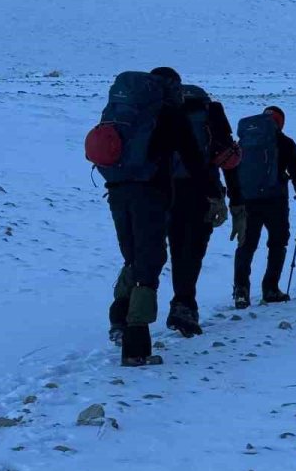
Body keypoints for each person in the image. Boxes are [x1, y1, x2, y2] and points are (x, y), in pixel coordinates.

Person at [86, 66, 215, 367]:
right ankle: (136, 348)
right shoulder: (168, 113)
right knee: (150, 261)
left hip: (117, 188)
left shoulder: (127, 110)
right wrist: (211, 192)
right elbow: (193, 158)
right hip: (151, 193)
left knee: (132, 255)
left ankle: (119, 318)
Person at [165, 83, 241, 337]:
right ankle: (184, 304)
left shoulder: (165, 114)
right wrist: (228, 198)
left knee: (176, 247)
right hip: (202, 189)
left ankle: (178, 304)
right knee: (194, 249)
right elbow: (227, 159)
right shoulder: (210, 117)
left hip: (164, 189)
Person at [230, 106, 296, 307]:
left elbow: (234, 168)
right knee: (277, 243)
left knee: (246, 245)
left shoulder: (245, 142)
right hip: (275, 200)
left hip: (248, 200)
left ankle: (241, 290)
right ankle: (271, 288)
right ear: (280, 123)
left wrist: (235, 198)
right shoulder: (285, 142)